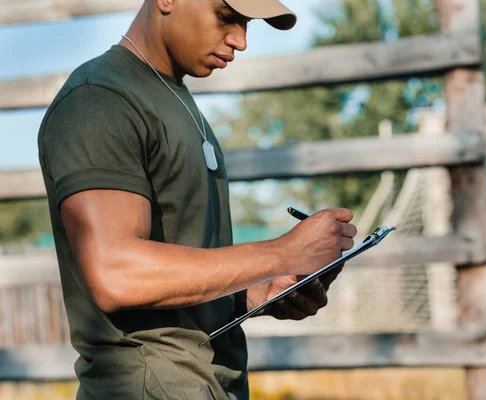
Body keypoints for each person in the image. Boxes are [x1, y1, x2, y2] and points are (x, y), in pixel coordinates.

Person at [37, 0, 357, 398]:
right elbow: (116, 273)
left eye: (247, 24)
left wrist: (258, 293)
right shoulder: (99, 100)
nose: (240, 40)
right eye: (227, 17)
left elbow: (176, 274)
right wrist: (283, 253)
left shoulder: (172, 97)